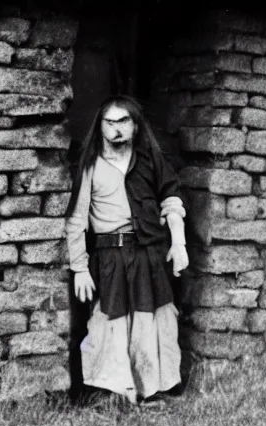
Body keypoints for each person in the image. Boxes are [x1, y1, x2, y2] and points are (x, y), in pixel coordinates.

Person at [65, 95, 189, 406]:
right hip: (110, 256)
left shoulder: (150, 160)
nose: (117, 128)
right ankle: (111, 391)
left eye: (124, 121)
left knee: (153, 318)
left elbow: (171, 201)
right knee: (111, 319)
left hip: (148, 252)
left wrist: (178, 242)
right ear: (101, 126)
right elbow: (76, 220)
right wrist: (79, 268)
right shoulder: (91, 165)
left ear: (135, 126)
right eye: (110, 122)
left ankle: (151, 388)